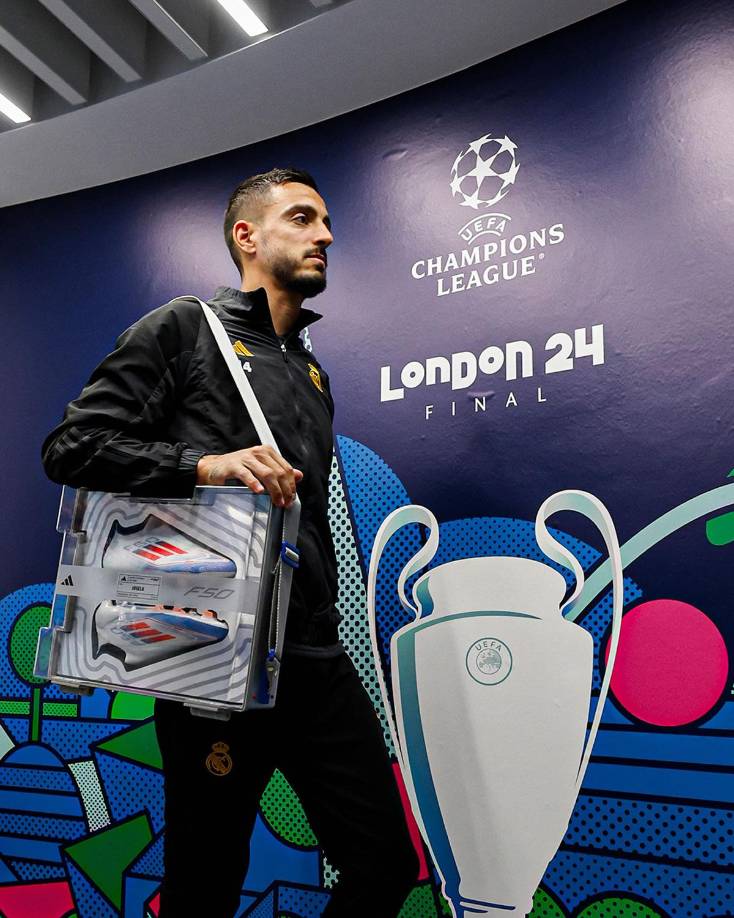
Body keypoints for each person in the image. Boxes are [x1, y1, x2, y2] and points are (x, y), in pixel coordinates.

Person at [42, 168, 418, 917]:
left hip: (315, 658)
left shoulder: (311, 370)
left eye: (326, 221)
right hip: (212, 661)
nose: (326, 236)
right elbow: (72, 446)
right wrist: (204, 464)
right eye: (304, 218)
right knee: (204, 887)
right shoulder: (184, 330)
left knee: (383, 866)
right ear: (247, 235)